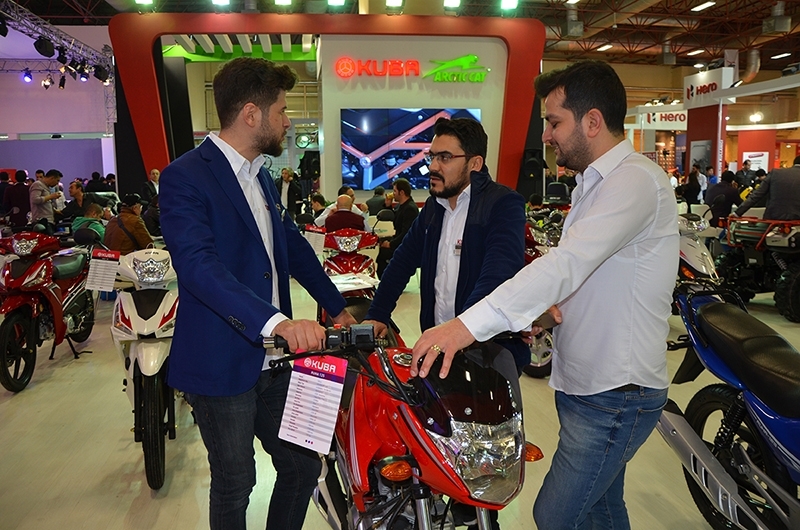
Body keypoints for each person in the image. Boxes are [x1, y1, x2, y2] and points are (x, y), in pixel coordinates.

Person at [411, 60, 678, 530]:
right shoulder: (593, 185)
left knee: (553, 516)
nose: (546, 135)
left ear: (592, 121)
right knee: (601, 511)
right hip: (589, 388)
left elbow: (565, 265)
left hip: (616, 392)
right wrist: (543, 315)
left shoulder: (634, 180)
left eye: (554, 122)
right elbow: (587, 275)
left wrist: (464, 326)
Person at [159, 57, 356, 530]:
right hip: (221, 357)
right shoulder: (185, 176)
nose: (288, 121)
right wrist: (278, 322)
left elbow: (291, 246)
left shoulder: (260, 175)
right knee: (235, 482)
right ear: (251, 114)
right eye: (282, 110)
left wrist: (336, 307)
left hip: (275, 360)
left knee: (302, 467)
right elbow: (198, 267)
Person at [733, 155, 800, 220]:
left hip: (772, 218)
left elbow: (756, 195)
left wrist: (737, 213)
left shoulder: (775, 173)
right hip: (797, 219)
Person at [376, 178, 419, 277]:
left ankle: (386, 279)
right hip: (399, 240)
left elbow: (406, 233)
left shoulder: (410, 209)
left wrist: (391, 244)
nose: (393, 194)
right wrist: (388, 206)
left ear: (402, 192)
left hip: (406, 246)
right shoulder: (401, 206)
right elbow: (395, 219)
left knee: (382, 254)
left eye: (395, 191)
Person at [29, 168, 63, 233]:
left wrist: (54, 211)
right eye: (57, 180)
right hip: (41, 222)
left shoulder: (46, 186)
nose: (57, 183)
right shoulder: (37, 184)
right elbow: (35, 199)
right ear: (52, 178)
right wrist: (51, 196)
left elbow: (45, 203)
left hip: (48, 221)